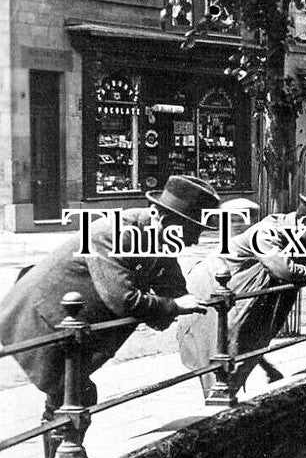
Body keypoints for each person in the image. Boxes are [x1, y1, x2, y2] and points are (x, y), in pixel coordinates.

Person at [0, 175, 218, 421]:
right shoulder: (115, 233)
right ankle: (58, 443)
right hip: (38, 321)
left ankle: (59, 441)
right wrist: (174, 306)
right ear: (167, 221)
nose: (195, 240)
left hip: (72, 328)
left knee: (73, 399)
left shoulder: (157, 237)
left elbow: (173, 288)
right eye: (192, 230)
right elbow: (123, 300)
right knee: (72, 399)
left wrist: (182, 304)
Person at [176, 194, 306, 397]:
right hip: (211, 290)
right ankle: (218, 405)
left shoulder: (300, 235)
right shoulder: (267, 232)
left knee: (245, 343)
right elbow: (285, 270)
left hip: (243, 295)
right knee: (223, 353)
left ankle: (230, 396)